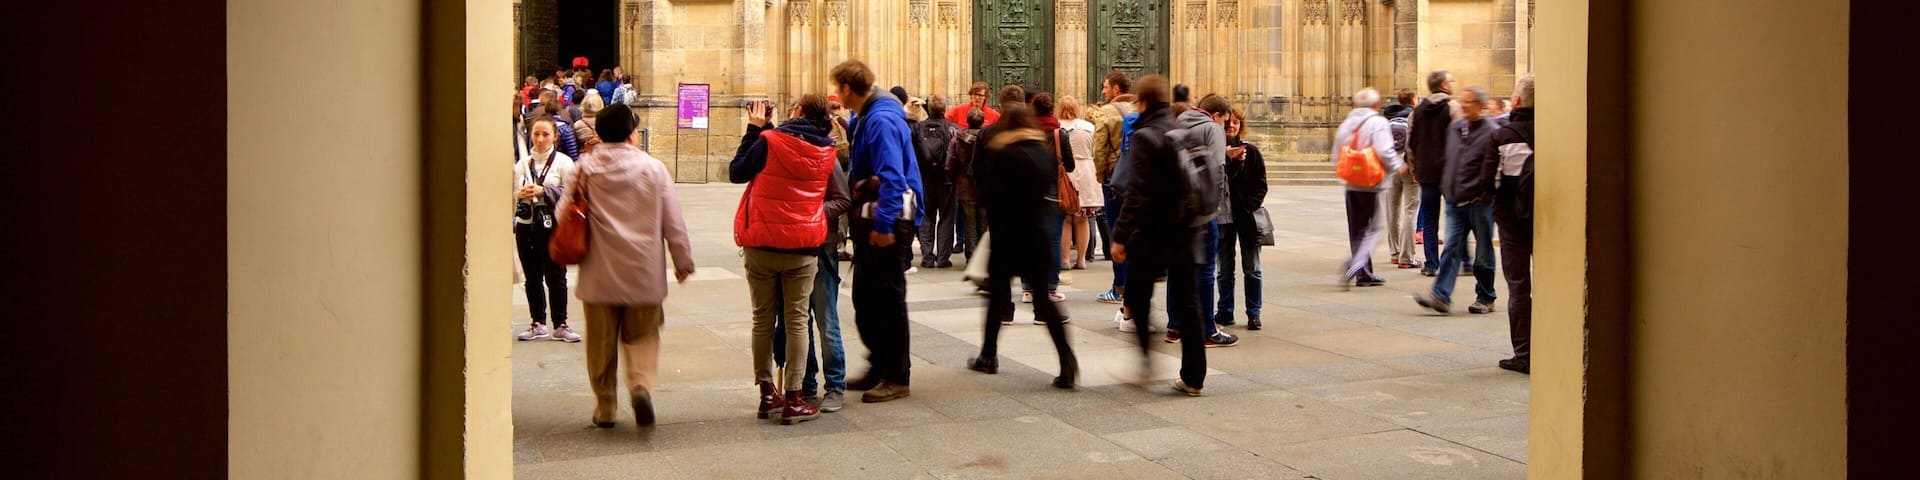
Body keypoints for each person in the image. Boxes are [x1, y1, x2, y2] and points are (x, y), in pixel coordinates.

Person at [560, 102, 696, 428]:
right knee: (644, 336)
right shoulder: (654, 169)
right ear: (633, 133)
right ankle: (640, 385)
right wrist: (682, 259)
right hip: (643, 273)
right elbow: (673, 220)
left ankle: (605, 407)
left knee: (600, 344)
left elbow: (562, 214)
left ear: (599, 133)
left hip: (599, 274)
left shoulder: (583, 169)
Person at [729, 95, 839, 425]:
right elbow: (792, 151)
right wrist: (770, 128)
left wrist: (754, 128)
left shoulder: (767, 141)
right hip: (802, 247)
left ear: (799, 112)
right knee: (795, 321)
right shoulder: (827, 151)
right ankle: (794, 397)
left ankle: (766, 393)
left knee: (762, 319)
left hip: (762, 243)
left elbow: (738, 172)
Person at [965, 101, 1080, 390]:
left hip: (1007, 233)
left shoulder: (1002, 152)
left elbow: (989, 193)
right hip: (1037, 232)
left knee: (997, 296)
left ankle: (988, 355)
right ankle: (1067, 361)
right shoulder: (1041, 150)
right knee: (1042, 299)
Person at [1112, 75, 1211, 396]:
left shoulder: (1145, 135)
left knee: (1138, 297)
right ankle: (1194, 378)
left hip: (1153, 232)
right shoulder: (1182, 129)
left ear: (1142, 102)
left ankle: (1145, 361)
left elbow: (1136, 191)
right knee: (1189, 302)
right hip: (1187, 230)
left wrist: (1120, 235)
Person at [833, 60, 924, 403]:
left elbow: (893, 176)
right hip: (872, 215)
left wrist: (885, 226)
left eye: (837, 88)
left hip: (887, 219)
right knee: (865, 299)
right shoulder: (867, 115)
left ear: (846, 88)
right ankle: (879, 364)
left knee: (887, 300)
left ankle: (897, 376)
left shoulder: (882, 120)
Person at [1414, 86, 1501, 315]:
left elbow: (1495, 167)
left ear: (1481, 105)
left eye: (1469, 102)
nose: (1463, 105)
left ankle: (1485, 296)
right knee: (1451, 247)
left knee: (1483, 252)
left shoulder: (1492, 130)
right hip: (1455, 199)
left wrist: (1485, 193)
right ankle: (1441, 295)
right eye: (1461, 101)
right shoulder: (1454, 128)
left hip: (1480, 201)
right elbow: (1450, 159)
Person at [1163, 87, 1238, 347]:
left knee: (1177, 268)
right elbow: (1216, 169)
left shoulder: (1177, 121)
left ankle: (1175, 326)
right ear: (1217, 114)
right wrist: (1214, 208)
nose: (1226, 126)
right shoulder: (1212, 128)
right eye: (1226, 120)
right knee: (1205, 269)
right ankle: (1207, 329)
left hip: (1176, 209)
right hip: (1202, 211)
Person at [514, 116, 581, 343]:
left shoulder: (563, 162)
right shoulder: (522, 164)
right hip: (527, 225)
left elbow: (573, 193)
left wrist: (544, 190)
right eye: (536, 134)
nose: (540, 139)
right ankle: (537, 322)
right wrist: (520, 195)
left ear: (555, 136)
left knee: (556, 276)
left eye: (545, 134)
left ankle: (560, 323)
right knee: (532, 276)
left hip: (554, 225)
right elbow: (510, 193)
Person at [1334, 88, 1407, 288]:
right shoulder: (1378, 123)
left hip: (1351, 184)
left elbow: (1337, 153)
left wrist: (1344, 175)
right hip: (1372, 183)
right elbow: (1384, 150)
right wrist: (1397, 166)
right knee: (1375, 229)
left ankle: (1364, 274)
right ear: (1376, 105)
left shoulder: (1347, 123)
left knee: (1356, 229)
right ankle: (1355, 264)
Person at [1492, 75, 1536, 374]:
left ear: (1516, 101)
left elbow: (1490, 181)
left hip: (1514, 224)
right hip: (1558, 219)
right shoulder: (1562, 131)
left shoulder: (1504, 135)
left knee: (1519, 287)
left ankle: (1524, 354)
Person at [1217, 106, 1268, 330]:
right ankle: (1225, 311)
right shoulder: (1216, 151)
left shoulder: (1252, 152)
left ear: (1241, 126)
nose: (1231, 126)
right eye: (1228, 123)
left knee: (1252, 268)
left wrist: (1249, 206)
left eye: (1235, 123)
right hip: (1222, 217)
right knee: (1224, 269)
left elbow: (1261, 184)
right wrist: (1230, 161)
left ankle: (1254, 313)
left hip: (1245, 217)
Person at [1020, 93, 1073, 305]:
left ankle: (1028, 287)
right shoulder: (1059, 133)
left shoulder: (1025, 132)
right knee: (1052, 239)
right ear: (1052, 110)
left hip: (1027, 188)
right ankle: (1050, 287)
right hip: (1052, 189)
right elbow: (1069, 165)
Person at [1407, 70, 1457, 277]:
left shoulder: (1417, 111)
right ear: (1444, 86)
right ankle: (1454, 261)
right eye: (1451, 81)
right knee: (1454, 217)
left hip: (1426, 172)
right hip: (1449, 171)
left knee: (1429, 219)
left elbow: (1411, 144)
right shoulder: (1453, 107)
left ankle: (1431, 263)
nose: (1453, 83)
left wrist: (1414, 169)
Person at [1091, 71, 1135, 307]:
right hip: (1140, 180)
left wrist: (1101, 177)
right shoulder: (1142, 109)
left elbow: (1098, 150)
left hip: (1115, 179)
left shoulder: (1106, 112)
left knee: (1117, 230)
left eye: (1106, 87)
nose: (1103, 91)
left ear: (1117, 89)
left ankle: (1119, 286)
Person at [913, 95, 959, 269]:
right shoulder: (952, 128)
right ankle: (943, 258)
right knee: (947, 218)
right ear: (944, 109)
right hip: (946, 180)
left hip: (924, 178)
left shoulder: (918, 128)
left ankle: (927, 257)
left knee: (927, 216)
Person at [1058, 96, 1102, 272]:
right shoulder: (1089, 127)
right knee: (1083, 218)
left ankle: (1066, 258)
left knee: (1066, 219)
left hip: (1066, 173)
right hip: (1086, 172)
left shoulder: (1057, 127)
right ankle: (1082, 259)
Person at [1385, 88, 1421, 269]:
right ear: (1413, 100)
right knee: (1410, 211)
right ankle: (1407, 257)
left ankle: (1394, 253)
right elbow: (1416, 145)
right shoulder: (1414, 118)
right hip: (1408, 167)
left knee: (1392, 211)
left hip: (1390, 168)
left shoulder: (1388, 119)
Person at [949, 108, 988, 263]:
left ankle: (971, 258)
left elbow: (951, 160)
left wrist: (951, 178)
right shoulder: (988, 138)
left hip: (964, 185)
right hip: (984, 186)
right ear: (982, 122)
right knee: (983, 225)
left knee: (969, 223)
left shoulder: (958, 139)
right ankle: (982, 258)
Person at [540, 91, 581, 160]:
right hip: (563, 163)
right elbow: (572, 151)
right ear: (559, 111)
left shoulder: (541, 126)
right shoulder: (565, 129)